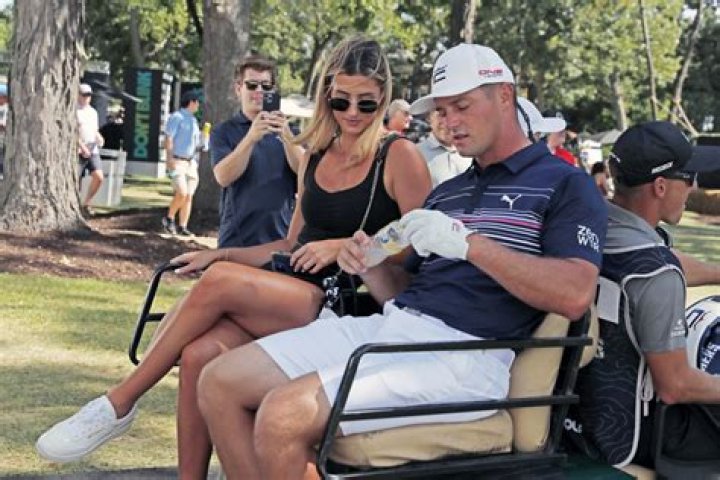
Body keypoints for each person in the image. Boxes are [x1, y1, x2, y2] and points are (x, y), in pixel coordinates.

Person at [195, 43, 607, 479]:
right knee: (219, 382)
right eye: (442, 111)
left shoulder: (566, 184)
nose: (450, 122)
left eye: (461, 106)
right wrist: (370, 266)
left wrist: (470, 245)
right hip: (396, 329)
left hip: (467, 356)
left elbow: (574, 294)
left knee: (283, 414)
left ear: (504, 95)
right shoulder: (448, 192)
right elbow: (405, 293)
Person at [35, 36, 430, 480]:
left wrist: (346, 247)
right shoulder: (317, 154)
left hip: (347, 302)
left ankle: (119, 402)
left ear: (384, 99)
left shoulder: (399, 156)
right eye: (342, 101)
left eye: (366, 103)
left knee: (223, 279)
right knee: (200, 353)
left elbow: (421, 247)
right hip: (294, 289)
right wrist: (219, 252)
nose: (353, 113)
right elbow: (290, 245)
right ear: (327, 96)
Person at [565, 121, 720, 469]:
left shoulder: (588, 228)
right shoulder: (657, 272)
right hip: (634, 436)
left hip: (576, 419)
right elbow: (675, 386)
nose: (694, 187)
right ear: (661, 186)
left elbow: (657, 261)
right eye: (689, 178)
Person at [210, 55, 303, 248]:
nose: (259, 91)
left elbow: (307, 173)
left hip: (281, 239)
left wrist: (286, 135)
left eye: (266, 86)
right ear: (238, 89)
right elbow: (223, 177)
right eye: (252, 85)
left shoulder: (291, 132)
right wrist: (251, 138)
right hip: (236, 240)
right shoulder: (224, 131)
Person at [161, 91, 202, 236]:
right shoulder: (177, 117)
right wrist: (169, 159)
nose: (198, 105)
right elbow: (169, 138)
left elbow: (195, 143)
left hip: (191, 163)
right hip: (177, 160)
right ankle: (169, 218)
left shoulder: (193, 120)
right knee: (182, 192)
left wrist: (204, 142)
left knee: (189, 195)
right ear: (191, 102)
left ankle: (183, 226)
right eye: (197, 102)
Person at [415, 110, 472, 187]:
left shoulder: (472, 152)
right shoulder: (415, 154)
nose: (446, 122)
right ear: (429, 118)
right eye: (440, 114)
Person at [77, 83, 105, 212]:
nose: (86, 98)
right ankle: (76, 204)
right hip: (78, 150)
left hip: (92, 149)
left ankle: (87, 202)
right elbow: (72, 133)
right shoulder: (74, 111)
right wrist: (82, 147)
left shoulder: (93, 112)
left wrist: (99, 138)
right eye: (84, 95)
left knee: (99, 177)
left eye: (88, 95)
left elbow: (94, 130)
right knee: (76, 180)